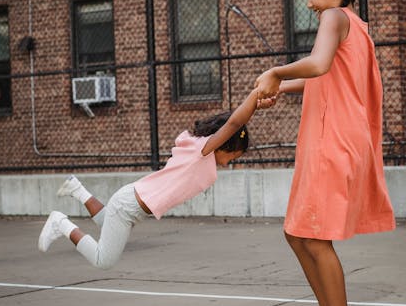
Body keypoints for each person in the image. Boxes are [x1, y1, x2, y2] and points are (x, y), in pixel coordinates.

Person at [253, 0, 395, 306]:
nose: (310, 4)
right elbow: (323, 75)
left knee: (314, 235)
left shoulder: (335, 17)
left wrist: (275, 72)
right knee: (296, 232)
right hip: (328, 139)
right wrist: (283, 88)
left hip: (334, 140)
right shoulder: (355, 26)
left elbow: (317, 63)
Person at [37, 89, 262, 269]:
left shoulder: (199, 153)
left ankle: (76, 189)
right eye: (234, 155)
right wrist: (254, 98)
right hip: (127, 206)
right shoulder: (202, 151)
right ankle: (61, 224)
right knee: (103, 260)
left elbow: (232, 126)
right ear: (226, 145)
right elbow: (233, 124)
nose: (232, 160)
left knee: (106, 222)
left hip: (128, 202)